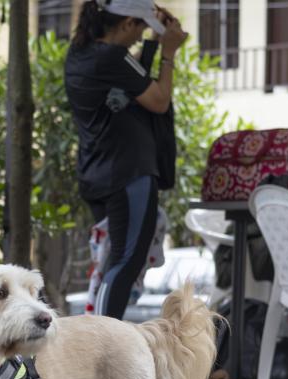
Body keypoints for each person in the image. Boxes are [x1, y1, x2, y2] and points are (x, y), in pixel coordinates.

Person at [64, 0, 187, 319]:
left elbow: (135, 78)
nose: (141, 34)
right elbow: (158, 100)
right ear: (126, 23)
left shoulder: (82, 54)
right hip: (128, 171)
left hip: (99, 170)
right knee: (126, 260)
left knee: (113, 261)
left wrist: (151, 44)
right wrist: (169, 53)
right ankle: (103, 343)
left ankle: (101, 337)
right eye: (141, 26)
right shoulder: (112, 58)